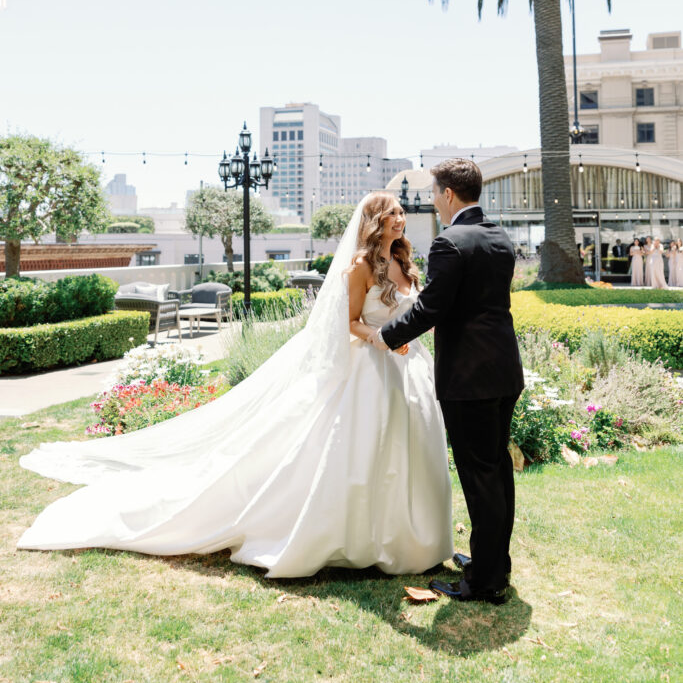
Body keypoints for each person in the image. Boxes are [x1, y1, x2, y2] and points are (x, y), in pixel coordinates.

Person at [18, 192, 454, 578]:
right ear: (375, 220)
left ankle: (413, 534)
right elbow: (349, 323)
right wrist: (382, 339)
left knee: (409, 448)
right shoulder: (359, 267)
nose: (401, 217)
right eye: (393, 212)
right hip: (372, 367)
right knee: (367, 450)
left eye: (401, 211)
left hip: (409, 367)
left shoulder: (402, 258)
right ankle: (365, 537)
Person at [369, 158, 524, 606]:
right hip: (503, 371)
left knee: (479, 478)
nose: (434, 201)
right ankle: (494, 564)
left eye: (435, 193)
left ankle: (486, 582)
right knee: (496, 471)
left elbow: (431, 308)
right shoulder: (499, 237)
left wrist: (386, 336)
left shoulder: (450, 242)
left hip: (469, 378)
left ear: (449, 195)